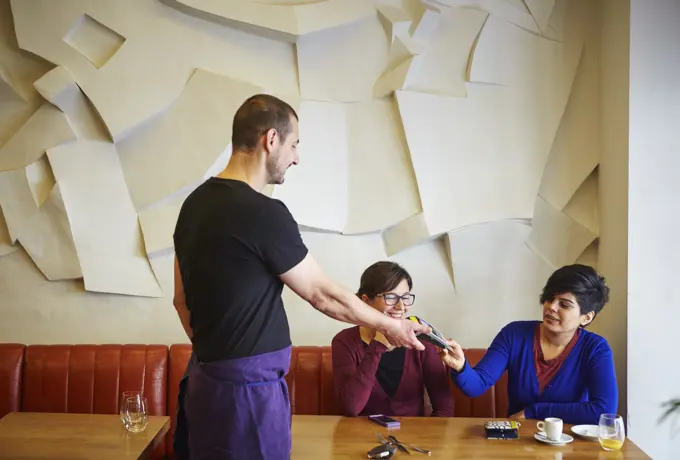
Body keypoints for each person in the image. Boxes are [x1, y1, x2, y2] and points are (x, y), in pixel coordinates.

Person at [171, 94, 430, 460]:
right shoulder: (263, 212)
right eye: (294, 144)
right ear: (270, 139)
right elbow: (323, 294)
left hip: (204, 382)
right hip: (249, 395)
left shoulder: (192, 206)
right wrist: (390, 327)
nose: (296, 157)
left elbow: (180, 301)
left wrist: (218, 357)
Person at [440, 264, 618, 425]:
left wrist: (534, 411)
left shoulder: (596, 349)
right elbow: (477, 385)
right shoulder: (514, 334)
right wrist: (461, 367)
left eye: (564, 304)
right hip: (518, 439)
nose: (551, 307)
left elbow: (603, 410)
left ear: (586, 317)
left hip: (569, 444)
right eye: (550, 298)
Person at [332, 261, 454, 417]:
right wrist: (378, 345)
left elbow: (445, 408)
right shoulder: (344, 342)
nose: (401, 307)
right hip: (360, 438)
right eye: (390, 297)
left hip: (413, 439)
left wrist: (427, 439)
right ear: (365, 300)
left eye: (405, 297)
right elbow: (350, 408)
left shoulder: (421, 340)